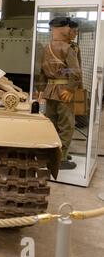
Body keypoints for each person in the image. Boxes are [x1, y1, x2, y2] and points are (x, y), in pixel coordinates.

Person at [39, 17, 83, 170]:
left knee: (51, 123)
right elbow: (75, 72)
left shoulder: (47, 47)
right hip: (64, 92)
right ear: (65, 30)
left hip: (49, 91)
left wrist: (41, 91)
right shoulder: (67, 48)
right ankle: (61, 158)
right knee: (66, 124)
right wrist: (71, 89)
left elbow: (42, 72)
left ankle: (51, 153)